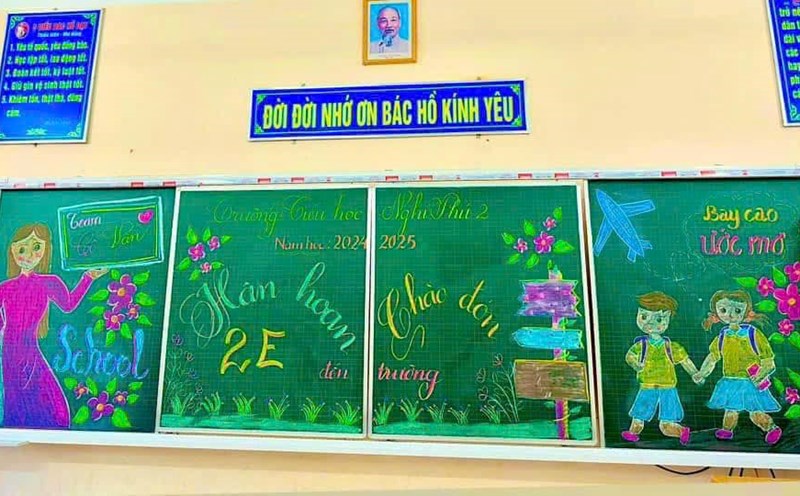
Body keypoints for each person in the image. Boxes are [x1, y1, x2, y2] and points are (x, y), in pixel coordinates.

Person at [0, 223, 107, 429]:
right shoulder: (5, 287)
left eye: (37, 248)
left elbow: (68, 305)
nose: (29, 255)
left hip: (30, 349)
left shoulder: (49, 282)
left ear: (46, 250)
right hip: (10, 351)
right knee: (16, 396)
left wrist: (88, 278)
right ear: (12, 251)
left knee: (49, 398)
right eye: (22, 249)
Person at [695, 290, 783, 445]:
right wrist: (703, 372)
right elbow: (713, 357)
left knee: (755, 412)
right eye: (723, 310)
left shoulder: (753, 334)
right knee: (730, 409)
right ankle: (727, 430)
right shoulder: (722, 336)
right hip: (730, 381)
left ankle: (771, 428)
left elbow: (768, 360)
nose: (730, 315)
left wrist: (762, 373)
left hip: (750, 381)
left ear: (746, 312)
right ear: (716, 314)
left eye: (737, 310)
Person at [621, 291, 701, 446]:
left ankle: (681, 431)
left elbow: (685, 361)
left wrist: (695, 374)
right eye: (644, 317)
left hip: (668, 388)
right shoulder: (641, 345)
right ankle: (632, 434)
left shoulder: (671, 347)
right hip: (647, 386)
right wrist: (636, 364)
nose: (650, 323)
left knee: (666, 425)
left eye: (658, 319)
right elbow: (629, 356)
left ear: (669, 319)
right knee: (638, 417)